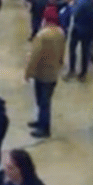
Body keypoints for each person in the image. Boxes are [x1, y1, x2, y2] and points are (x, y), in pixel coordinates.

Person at [24, 7, 65, 138]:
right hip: (53, 73)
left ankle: (44, 128)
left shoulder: (42, 35)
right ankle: (41, 121)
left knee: (42, 102)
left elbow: (35, 55)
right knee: (45, 101)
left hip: (41, 73)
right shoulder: (60, 33)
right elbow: (62, 53)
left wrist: (28, 72)